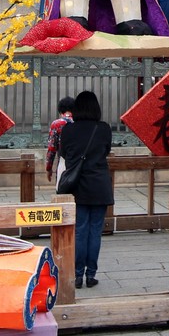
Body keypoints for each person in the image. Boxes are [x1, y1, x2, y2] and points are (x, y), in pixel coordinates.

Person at [58, 90, 114, 290]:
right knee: (95, 231)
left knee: (80, 230)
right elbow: (106, 150)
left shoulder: (68, 130)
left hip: (78, 185)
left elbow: (64, 154)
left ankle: (77, 275)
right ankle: (91, 275)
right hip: (99, 185)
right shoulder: (104, 128)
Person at [45, 96, 75, 184]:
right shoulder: (79, 123)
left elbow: (51, 149)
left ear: (60, 110)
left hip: (63, 162)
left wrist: (48, 168)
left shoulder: (56, 124)